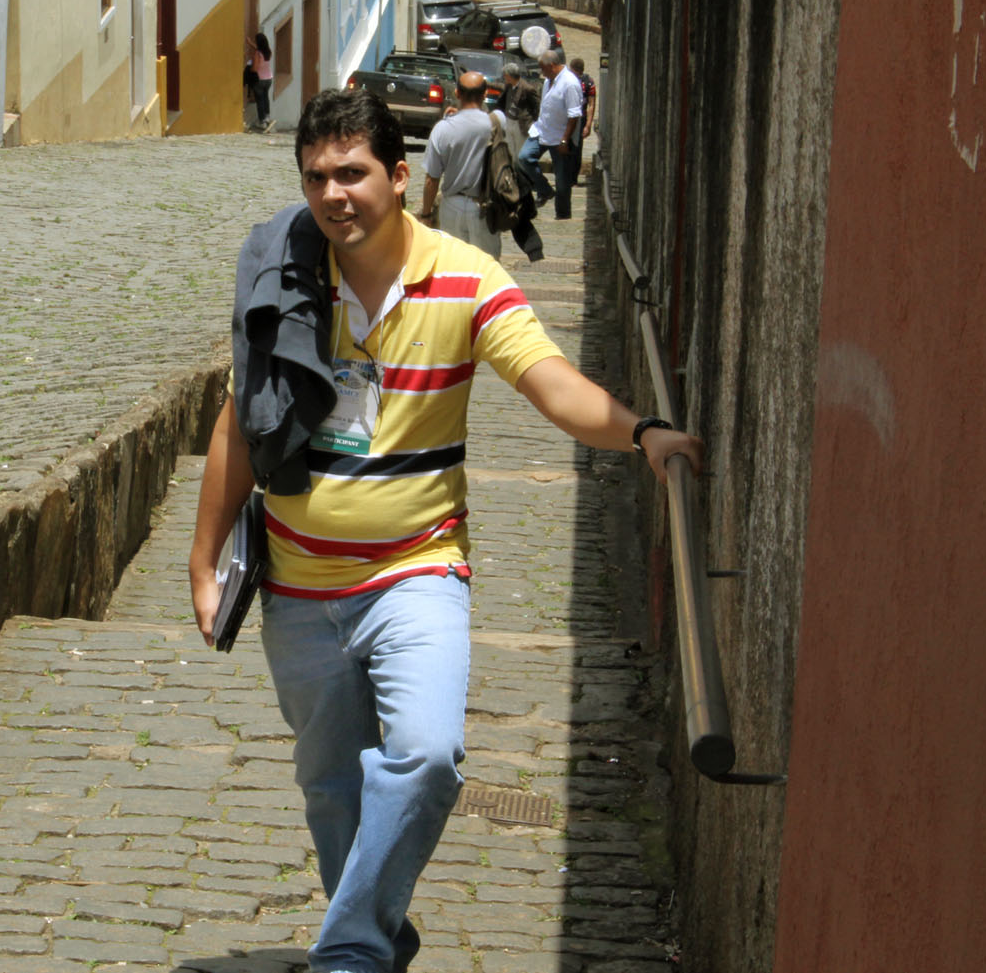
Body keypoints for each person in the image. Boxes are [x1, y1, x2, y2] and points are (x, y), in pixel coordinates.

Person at [188, 88, 703, 973]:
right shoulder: (288, 275)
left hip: (416, 570)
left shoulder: (467, 278)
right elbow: (241, 422)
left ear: (400, 176)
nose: (332, 194)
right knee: (332, 790)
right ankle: (374, 942)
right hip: (299, 589)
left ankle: (349, 953)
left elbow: (550, 381)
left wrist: (641, 432)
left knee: (425, 756)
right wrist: (203, 562)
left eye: (352, 173)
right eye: (315, 177)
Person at [419, 73, 499, 257]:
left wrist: (426, 214)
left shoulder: (443, 129)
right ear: (485, 94)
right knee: (486, 266)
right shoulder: (496, 123)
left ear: (457, 93)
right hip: (485, 206)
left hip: (452, 206)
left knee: (453, 263)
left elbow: (432, 179)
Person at [516, 48, 582, 219]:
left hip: (560, 136)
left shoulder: (570, 83)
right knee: (524, 158)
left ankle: (563, 214)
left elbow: (574, 115)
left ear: (552, 65)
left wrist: (565, 139)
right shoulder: (548, 81)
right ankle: (544, 189)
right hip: (542, 130)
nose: (541, 72)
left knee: (562, 180)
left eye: (543, 68)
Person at [248, 33, 274, 132]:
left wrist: (249, 67)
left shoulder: (257, 54)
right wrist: (251, 44)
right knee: (265, 97)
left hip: (259, 79)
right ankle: (267, 117)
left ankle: (262, 121)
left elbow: (254, 69)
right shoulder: (268, 52)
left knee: (259, 100)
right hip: (269, 79)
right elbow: (259, 49)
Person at [569, 56, 597, 142]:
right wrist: (588, 125)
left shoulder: (588, 82)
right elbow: (591, 105)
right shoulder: (589, 82)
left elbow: (591, 105)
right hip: (577, 119)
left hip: (575, 119)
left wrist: (587, 126)